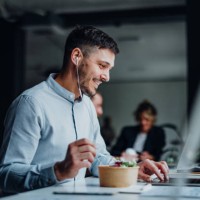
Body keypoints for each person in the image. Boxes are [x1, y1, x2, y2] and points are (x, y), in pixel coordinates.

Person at [0, 25, 169, 194]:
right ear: (76, 56)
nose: (107, 77)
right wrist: (58, 171)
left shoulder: (87, 105)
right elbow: (5, 174)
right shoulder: (31, 103)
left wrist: (130, 168)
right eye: (102, 66)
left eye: (109, 69)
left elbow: (97, 158)